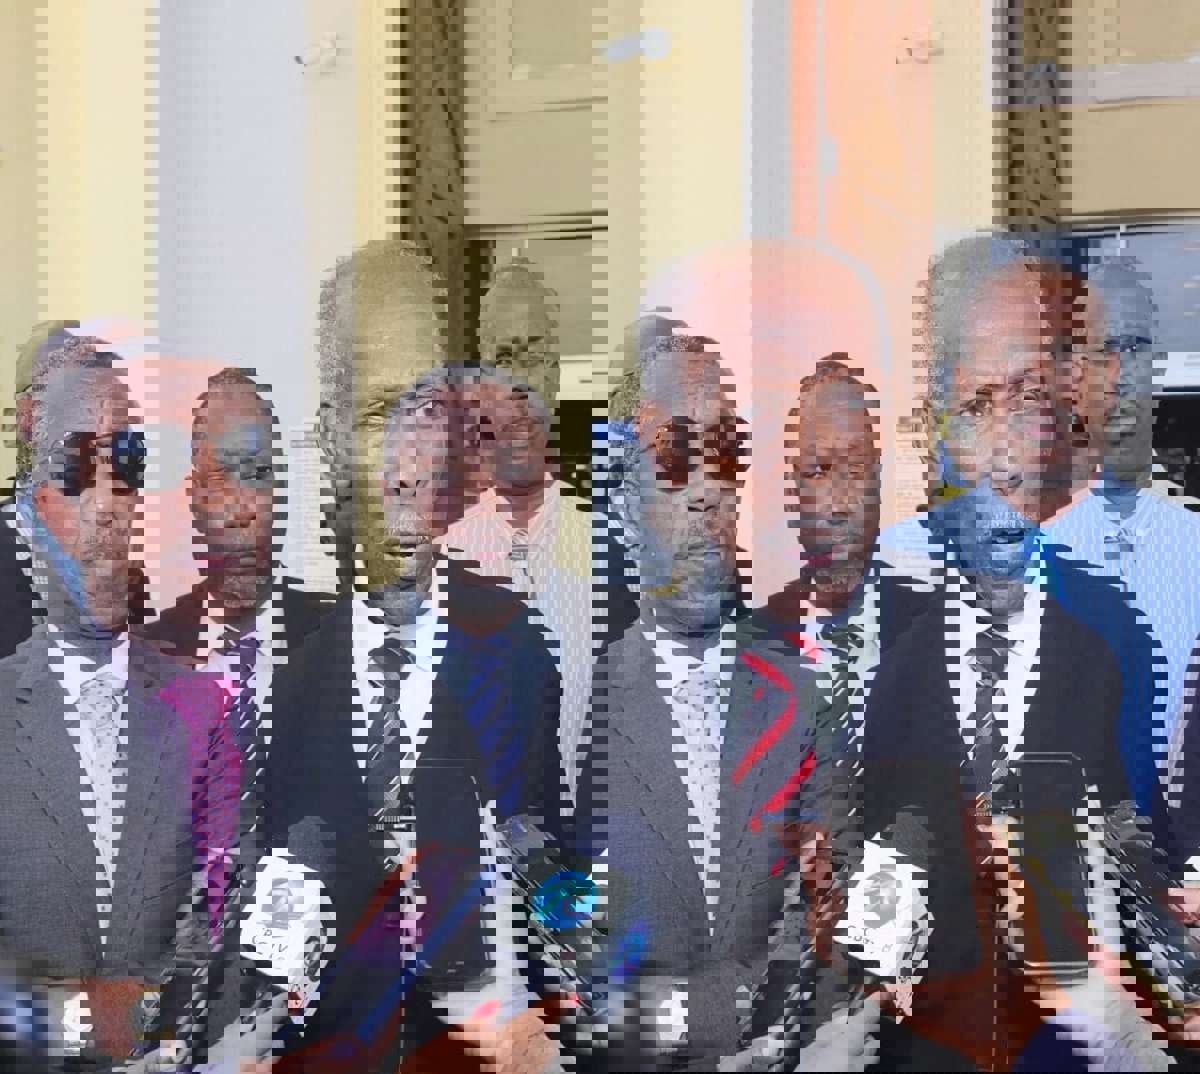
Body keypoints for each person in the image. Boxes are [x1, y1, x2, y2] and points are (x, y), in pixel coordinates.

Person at [848, 233, 1188, 1072]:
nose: (1008, 428)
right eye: (979, 400)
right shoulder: (893, 595)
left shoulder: (1161, 595)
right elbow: (874, 824)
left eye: (1033, 387)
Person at [266, 238, 566, 1073]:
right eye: (377, 416)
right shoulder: (285, 685)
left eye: (428, 415)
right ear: (329, 435)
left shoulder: (521, 658)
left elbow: (556, 886)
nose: (407, 466)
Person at [577, 324, 826, 1071]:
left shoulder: (804, 698)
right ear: (623, 497)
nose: (709, 490)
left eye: (724, 456)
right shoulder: (573, 705)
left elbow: (827, 929)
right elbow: (552, 943)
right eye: (676, 459)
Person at [0, 353, 235, 1069]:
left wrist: (168, 1026)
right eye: (76, 468)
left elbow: (227, 928)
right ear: (34, 497)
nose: (107, 502)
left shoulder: (204, 712)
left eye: (126, 464)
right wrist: (79, 1020)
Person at [1045, 254, 1200, 778]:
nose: (1116, 377)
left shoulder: (1193, 541)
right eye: (1098, 355)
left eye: (1131, 349)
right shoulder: (1035, 550)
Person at [442, 363, 594, 802]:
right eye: (500, 422)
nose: (519, 423)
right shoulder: (455, 547)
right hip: (490, 802)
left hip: (588, 793)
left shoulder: (600, 539)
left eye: (526, 414)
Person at [141, 368, 330, 669]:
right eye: (220, 479)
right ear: (195, 496)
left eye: (257, 475)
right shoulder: (147, 655)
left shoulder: (336, 638)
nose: (242, 512)